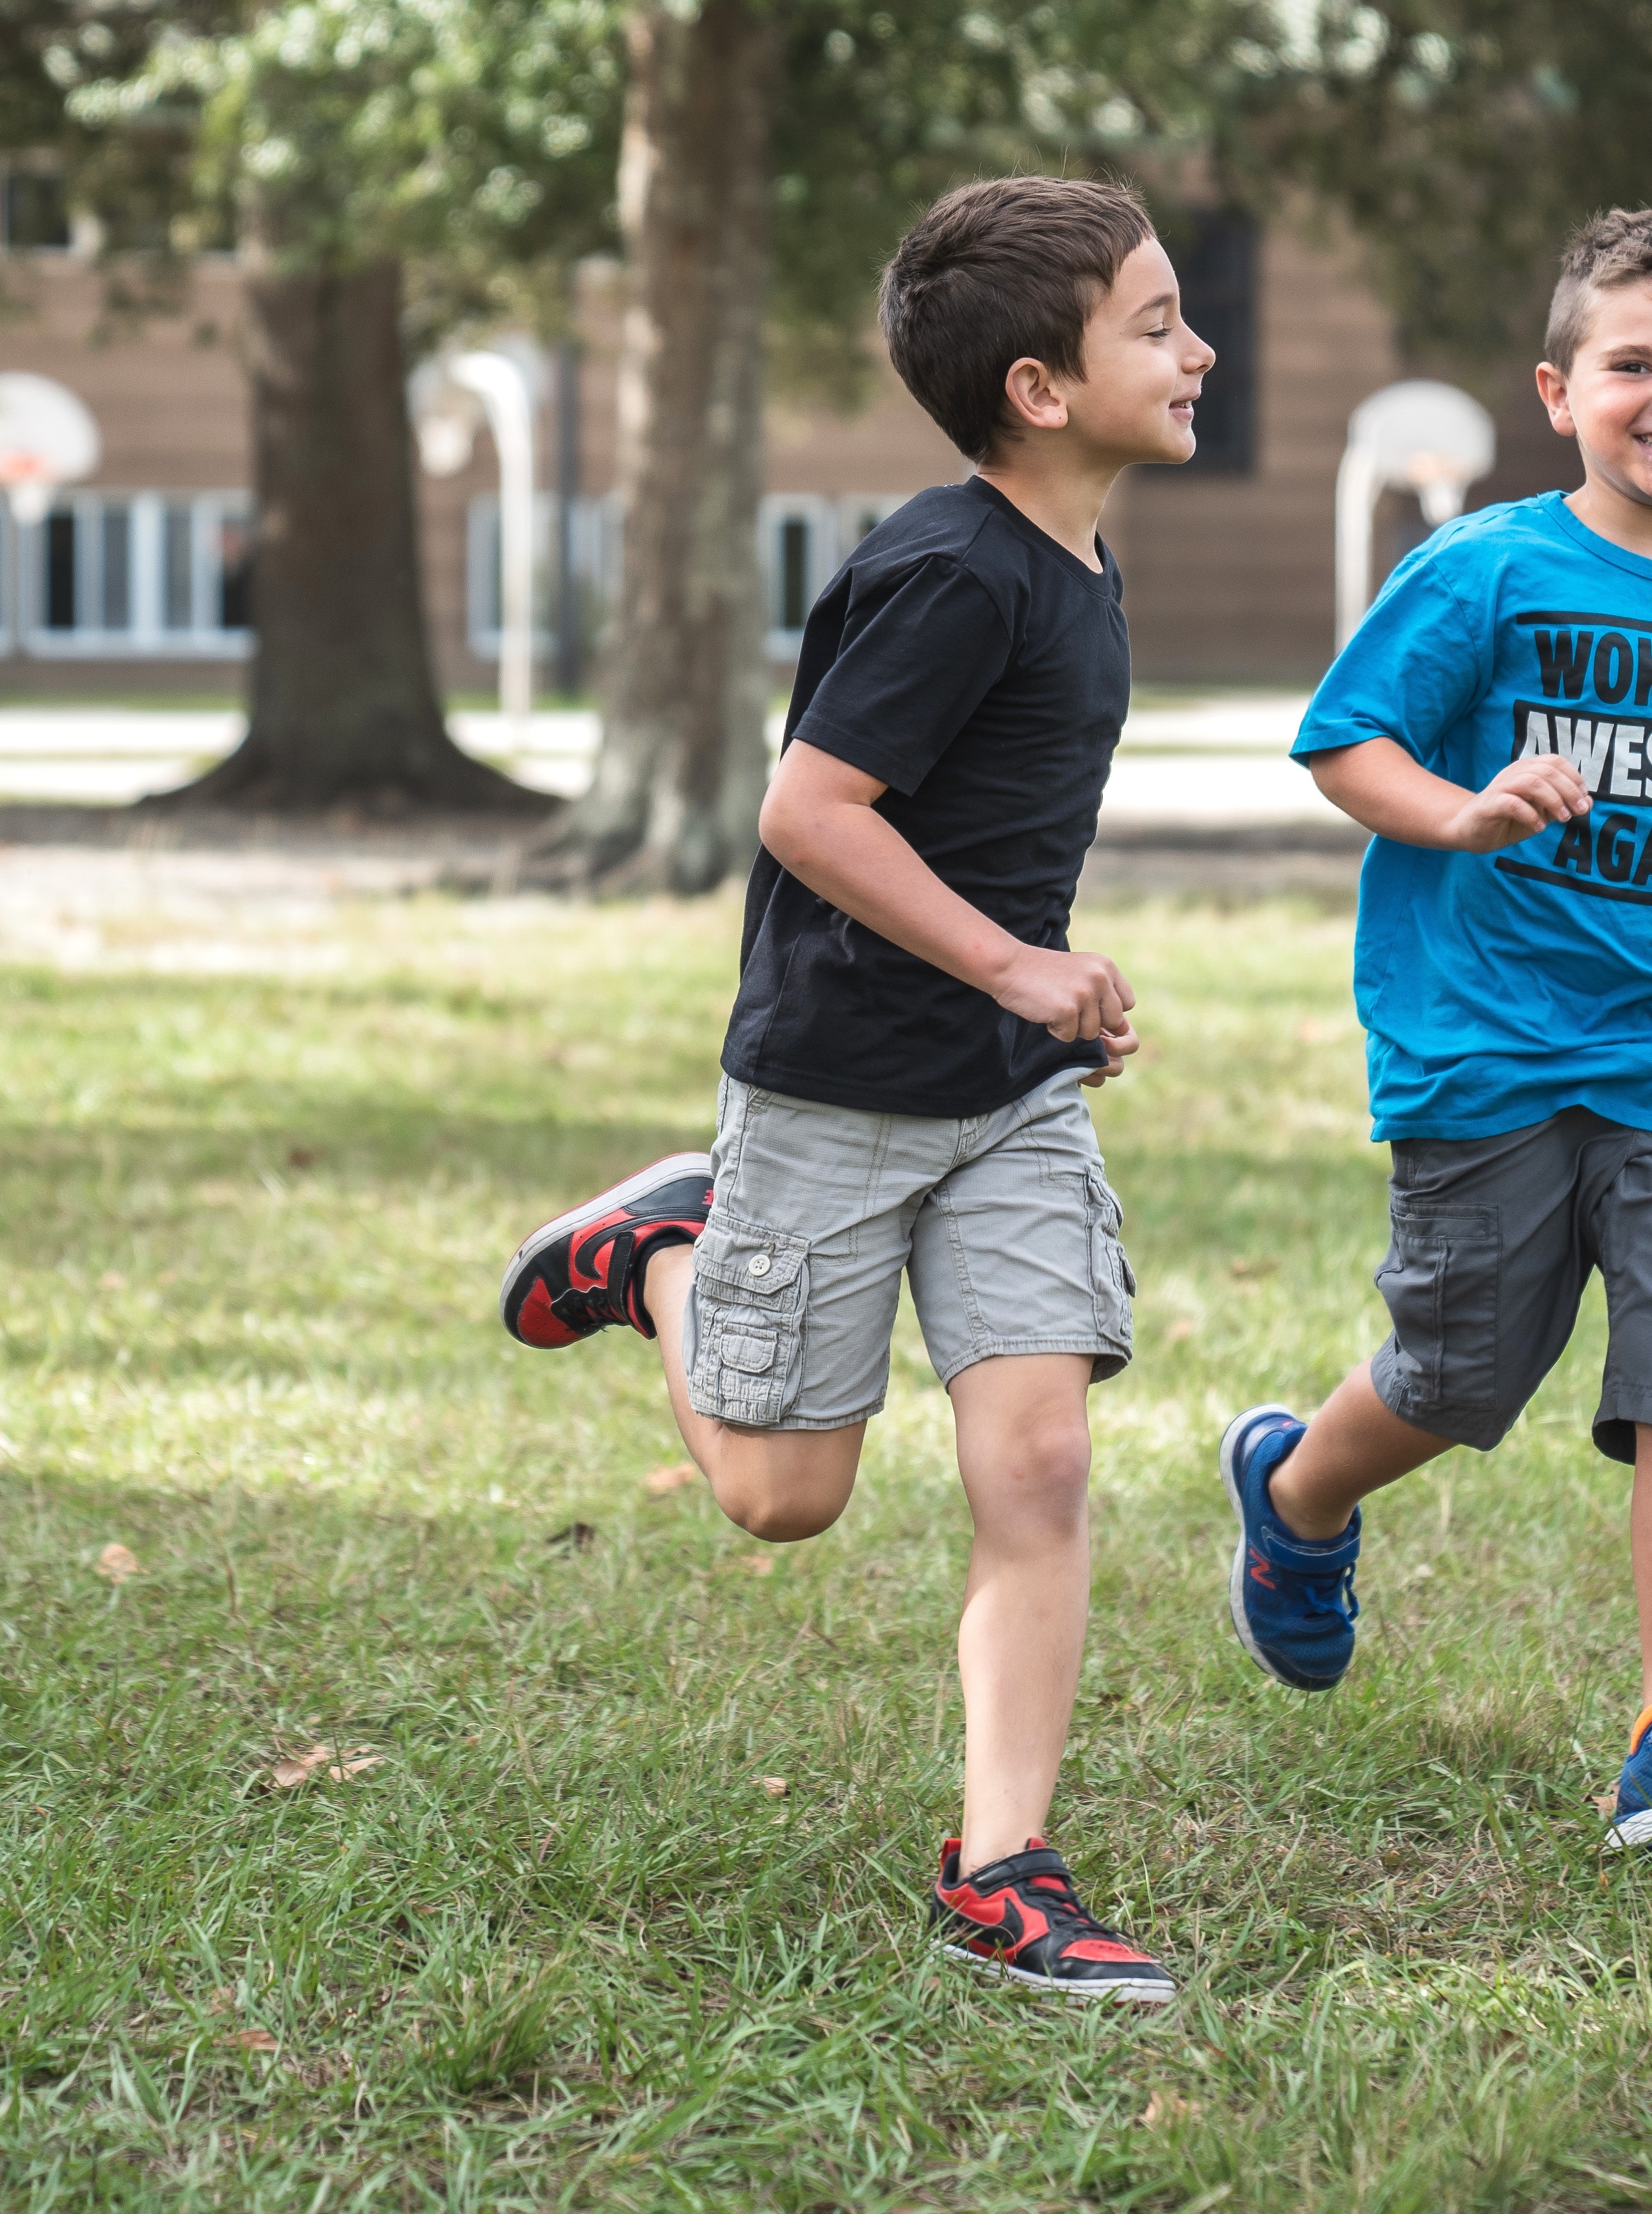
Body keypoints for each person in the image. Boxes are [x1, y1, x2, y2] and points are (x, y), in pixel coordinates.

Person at [494, 178, 1208, 2002]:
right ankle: (664, 1249)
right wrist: (1012, 962)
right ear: (1041, 388)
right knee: (781, 1501)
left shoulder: (1084, 560)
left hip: (1011, 1095)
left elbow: (993, 837)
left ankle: (1005, 1867)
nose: (1197, 350)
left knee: (1037, 1456)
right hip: (833, 1093)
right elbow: (808, 814)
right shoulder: (953, 569)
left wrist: (1058, 990)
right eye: (1156, 322)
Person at [1216, 203, 1652, 1857]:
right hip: (1488, 1047)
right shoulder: (1489, 567)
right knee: (1457, 1371)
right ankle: (1299, 1490)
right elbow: (1345, 743)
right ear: (1557, 390)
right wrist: (1462, 813)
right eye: (1632, 363)